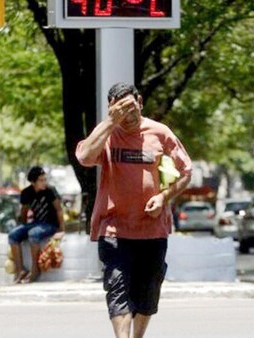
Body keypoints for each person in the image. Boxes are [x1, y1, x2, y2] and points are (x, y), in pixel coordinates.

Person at [75, 83, 192, 338]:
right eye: (120, 108)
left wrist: (164, 197)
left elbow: (186, 172)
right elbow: (84, 157)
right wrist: (109, 122)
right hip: (114, 229)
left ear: (140, 101)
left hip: (152, 231)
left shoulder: (160, 133)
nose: (127, 113)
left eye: (130, 105)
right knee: (117, 291)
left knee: (147, 297)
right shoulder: (106, 133)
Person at [8, 166, 64, 283]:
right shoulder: (26, 193)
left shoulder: (50, 191)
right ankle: (20, 270)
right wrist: (22, 228)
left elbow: (59, 210)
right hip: (36, 223)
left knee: (33, 234)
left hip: (50, 224)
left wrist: (61, 230)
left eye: (45, 179)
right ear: (33, 182)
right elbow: (24, 211)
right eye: (41, 180)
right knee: (13, 235)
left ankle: (35, 270)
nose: (44, 182)